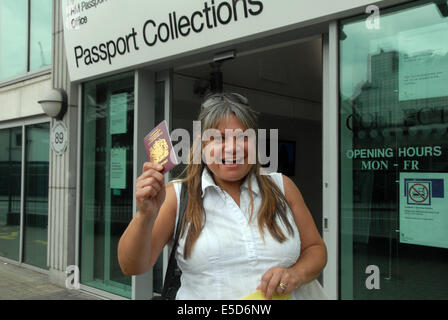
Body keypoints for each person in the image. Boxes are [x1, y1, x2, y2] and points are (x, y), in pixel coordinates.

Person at [118, 92, 327, 300]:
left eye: (243, 137)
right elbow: (131, 266)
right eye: (218, 139)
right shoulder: (177, 195)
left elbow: (315, 249)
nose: (232, 148)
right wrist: (145, 215)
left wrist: (296, 274)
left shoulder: (282, 187)